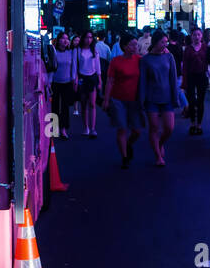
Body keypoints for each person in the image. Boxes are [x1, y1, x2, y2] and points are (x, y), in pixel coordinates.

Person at [102, 35, 144, 168]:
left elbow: (152, 60)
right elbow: (110, 81)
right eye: (132, 45)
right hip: (118, 99)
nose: (135, 47)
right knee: (122, 129)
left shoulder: (139, 60)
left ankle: (128, 144)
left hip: (134, 100)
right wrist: (106, 99)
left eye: (136, 45)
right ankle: (125, 157)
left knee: (137, 131)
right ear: (125, 46)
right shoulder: (115, 61)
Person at [139, 30, 180, 167]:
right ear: (155, 42)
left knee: (169, 128)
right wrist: (141, 101)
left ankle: (160, 143)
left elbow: (173, 79)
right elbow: (143, 82)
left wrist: (176, 98)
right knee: (154, 127)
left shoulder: (169, 57)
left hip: (167, 97)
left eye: (166, 42)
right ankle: (158, 155)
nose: (165, 44)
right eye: (163, 42)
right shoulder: (146, 60)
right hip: (151, 98)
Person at [75, 30, 103, 138]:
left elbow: (98, 67)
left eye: (91, 37)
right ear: (83, 38)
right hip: (82, 77)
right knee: (83, 104)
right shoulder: (78, 50)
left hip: (92, 77)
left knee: (92, 103)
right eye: (87, 37)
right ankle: (85, 127)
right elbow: (75, 66)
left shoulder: (94, 50)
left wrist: (100, 80)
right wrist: (75, 79)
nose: (89, 40)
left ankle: (93, 128)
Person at [182, 27, 210, 135]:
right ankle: (192, 123)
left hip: (202, 76)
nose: (197, 37)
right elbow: (184, 66)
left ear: (201, 36)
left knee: (200, 102)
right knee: (192, 101)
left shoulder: (205, 48)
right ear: (191, 36)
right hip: (190, 77)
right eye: (194, 35)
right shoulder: (188, 49)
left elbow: (209, 63)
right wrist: (184, 82)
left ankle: (199, 125)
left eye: (199, 34)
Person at [50, 31, 78, 139]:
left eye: (67, 39)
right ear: (58, 40)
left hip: (67, 83)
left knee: (65, 107)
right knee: (55, 106)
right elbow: (51, 68)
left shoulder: (71, 52)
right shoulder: (54, 51)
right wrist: (48, 83)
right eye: (62, 38)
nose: (65, 40)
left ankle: (63, 129)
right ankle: (54, 127)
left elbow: (74, 68)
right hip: (55, 82)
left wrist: (74, 80)